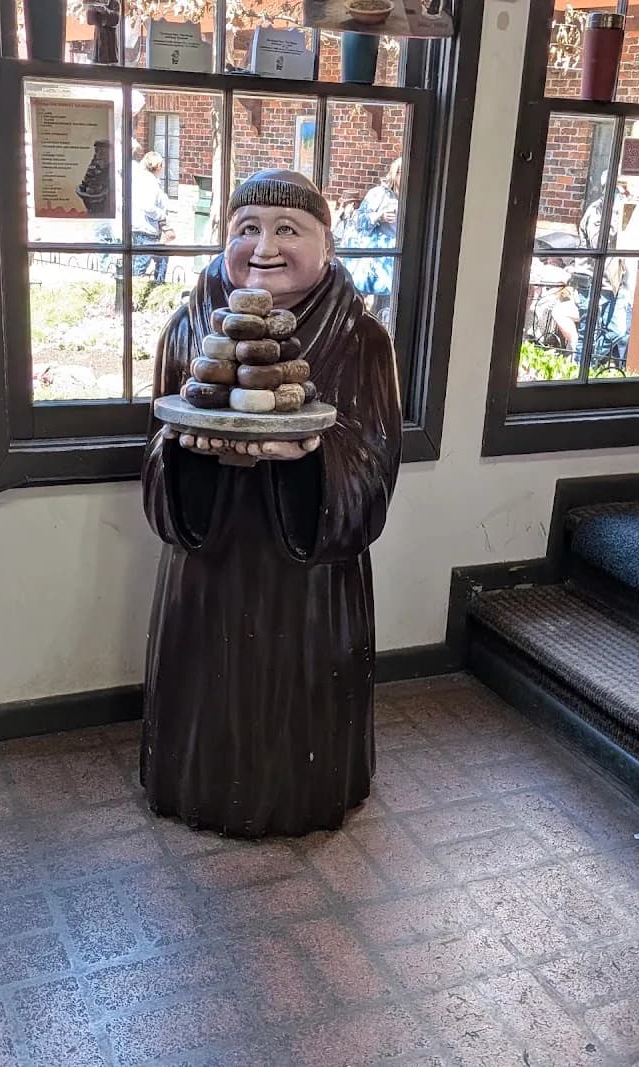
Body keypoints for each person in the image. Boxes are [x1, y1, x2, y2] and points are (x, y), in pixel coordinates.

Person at [140, 169, 402, 837]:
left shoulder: (363, 343)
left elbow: (374, 461)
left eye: (289, 229)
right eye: (246, 229)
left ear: (329, 243)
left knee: (300, 698)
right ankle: (193, 782)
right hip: (211, 569)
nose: (265, 247)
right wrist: (183, 455)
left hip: (310, 586)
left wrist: (315, 460)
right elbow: (155, 448)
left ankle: (308, 789)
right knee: (210, 692)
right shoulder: (186, 331)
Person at [571, 170, 633, 368]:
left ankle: (591, 364)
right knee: (586, 333)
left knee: (618, 329)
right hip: (591, 280)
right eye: (618, 190)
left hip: (613, 282)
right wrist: (615, 214)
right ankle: (578, 372)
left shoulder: (623, 211)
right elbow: (599, 243)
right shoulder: (597, 211)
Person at [343, 158, 401, 324]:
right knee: (372, 311)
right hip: (378, 262)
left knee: (390, 312)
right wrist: (379, 216)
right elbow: (359, 221)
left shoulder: (416, 197)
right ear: (394, 173)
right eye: (402, 172)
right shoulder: (379, 194)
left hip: (398, 264)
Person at [133, 150, 174, 281]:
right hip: (147, 229)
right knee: (141, 264)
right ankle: (154, 286)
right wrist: (162, 215)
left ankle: (156, 285)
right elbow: (148, 206)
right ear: (158, 166)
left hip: (141, 227)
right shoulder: (150, 182)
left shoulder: (141, 179)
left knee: (160, 258)